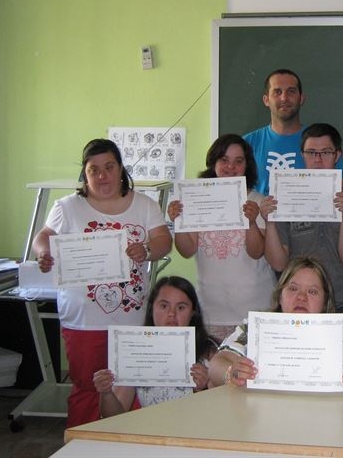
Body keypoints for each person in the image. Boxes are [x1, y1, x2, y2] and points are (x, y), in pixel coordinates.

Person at [33, 139, 172, 427]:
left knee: (130, 386)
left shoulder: (143, 204)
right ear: (85, 175)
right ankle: (82, 448)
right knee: (87, 388)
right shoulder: (68, 207)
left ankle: (127, 448)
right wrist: (44, 252)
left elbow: (163, 241)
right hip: (83, 321)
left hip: (130, 320)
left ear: (121, 169)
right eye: (93, 170)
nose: (102, 175)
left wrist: (146, 250)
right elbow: (43, 236)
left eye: (109, 167)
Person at [208, 256, 343, 398]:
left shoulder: (337, 329)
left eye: (312, 291)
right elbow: (216, 364)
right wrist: (231, 372)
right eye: (293, 289)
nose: (301, 297)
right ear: (280, 295)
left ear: (325, 301)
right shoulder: (255, 327)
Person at [166, 134, 276, 342]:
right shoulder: (197, 198)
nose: (230, 167)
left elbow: (257, 252)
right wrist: (178, 221)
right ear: (213, 162)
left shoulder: (257, 201)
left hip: (255, 309)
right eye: (224, 160)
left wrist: (251, 222)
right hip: (211, 311)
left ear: (247, 165)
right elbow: (187, 250)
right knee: (214, 372)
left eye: (238, 161)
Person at [261, 123, 343, 323]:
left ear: (337, 155)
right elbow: (278, 263)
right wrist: (270, 221)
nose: (318, 159)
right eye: (311, 152)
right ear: (302, 155)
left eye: (325, 152)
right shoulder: (285, 194)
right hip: (299, 304)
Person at [92, 276, 218, 417]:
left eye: (181, 307)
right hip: (151, 432)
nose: (172, 314)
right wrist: (106, 392)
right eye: (164, 306)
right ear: (152, 308)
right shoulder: (135, 348)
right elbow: (113, 417)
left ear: (193, 312)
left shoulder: (210, 352)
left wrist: (204, 388)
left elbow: (221, 415)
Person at [243, 69, 343, 195]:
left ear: (301, 98)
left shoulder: (321, 144)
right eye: (277, 92)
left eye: (291, 92)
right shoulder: (247, 144)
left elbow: (342, 192)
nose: (284, 98)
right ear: (266, 100)